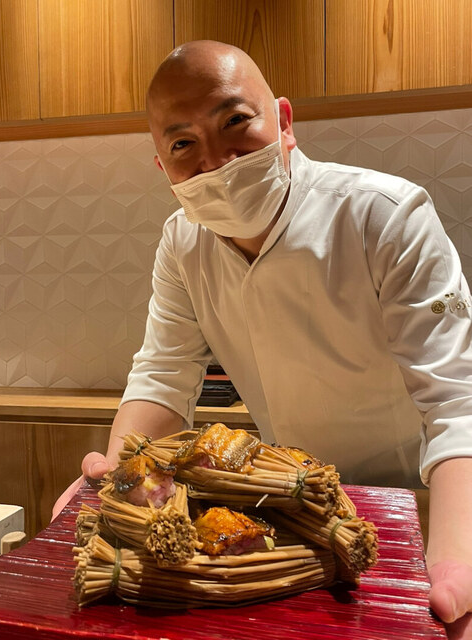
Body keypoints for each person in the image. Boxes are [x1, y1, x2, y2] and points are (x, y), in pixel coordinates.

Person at [54, 41, 472, 637]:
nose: (216, 161)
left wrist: (456, 557)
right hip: (290, 513)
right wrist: (123, 486)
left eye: (234, 121)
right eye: (183, 144)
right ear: (163, 169)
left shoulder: (386, 215)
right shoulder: (182, 242)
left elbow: (457, 401)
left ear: (284, 122)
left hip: (419, 508)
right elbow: (163, 376)